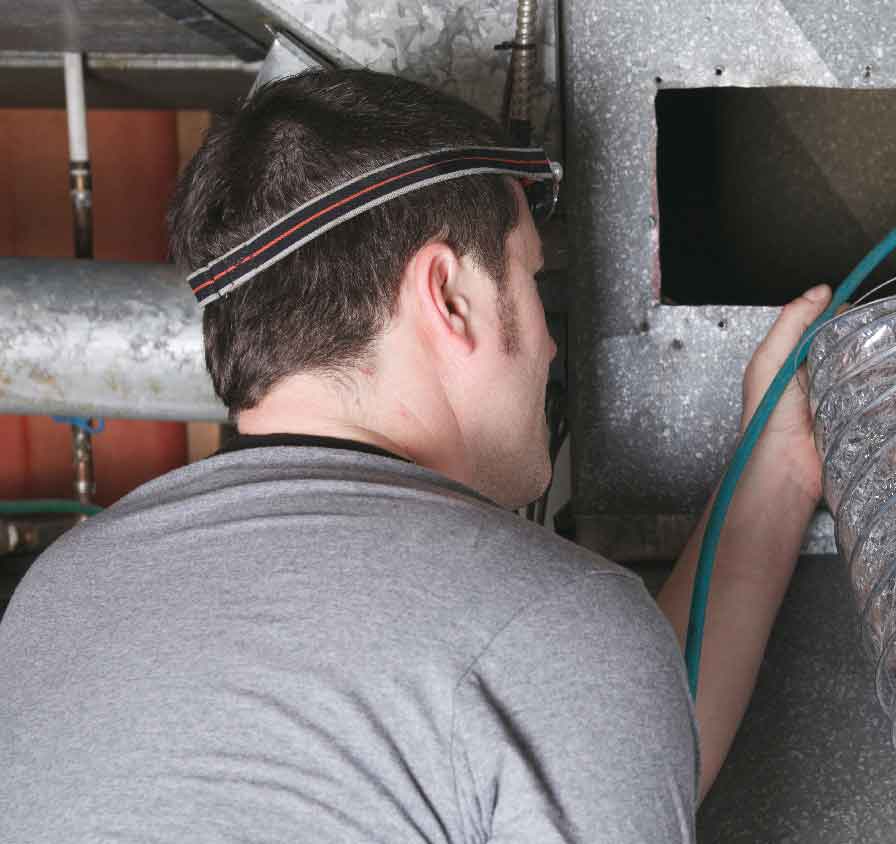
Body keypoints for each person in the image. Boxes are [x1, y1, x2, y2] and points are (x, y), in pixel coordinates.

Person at [0, 69, 827, 842]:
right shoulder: (545, 632)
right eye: (531, 282)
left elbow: (593, 738)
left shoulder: (54, 603)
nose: (545, 345)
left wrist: (778, 467)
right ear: (448, 296)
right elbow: (545, 698)